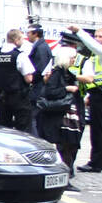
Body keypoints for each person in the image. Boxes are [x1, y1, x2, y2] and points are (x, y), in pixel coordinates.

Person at [36, 39, 84, 189]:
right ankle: (63, 179)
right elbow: (50, 92)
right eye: (72, 58)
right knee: (64, 148)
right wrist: (67, 89)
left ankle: (64, 178)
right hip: (59, 118)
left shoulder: (65, 72)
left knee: (68, 147)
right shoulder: (58, 73)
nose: (74, 60)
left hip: (65, 117)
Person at [75, 26, 102, 173]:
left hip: (101, 92)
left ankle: (96, 163)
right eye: (96, 36)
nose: (97, 39)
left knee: (98, 129)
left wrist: (79, 32)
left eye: (101, 36)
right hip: (100, 92)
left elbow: (91, 45)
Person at [0, 28, 34, 132]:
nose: (23, 42)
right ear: (17, 40)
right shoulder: (19, 55)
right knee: (23, 126)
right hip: (19, 96)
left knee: (3, 126)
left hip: (2, 96)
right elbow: (28, 78)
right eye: (22, 39)